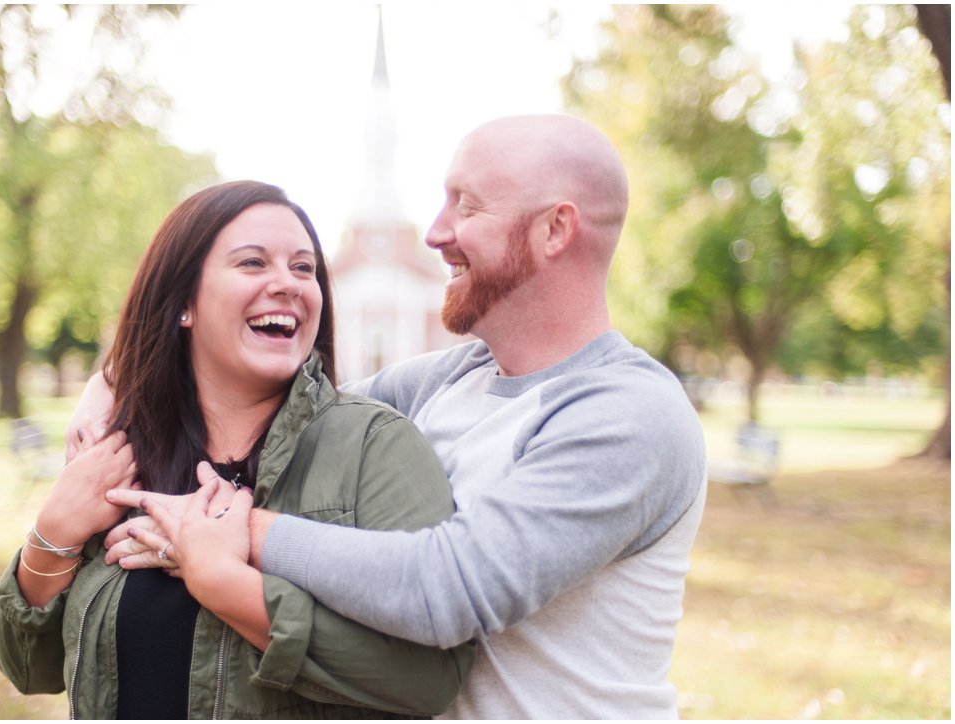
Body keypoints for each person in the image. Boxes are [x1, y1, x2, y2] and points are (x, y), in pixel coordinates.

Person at [86, 115, 707, 719]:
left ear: (555, 229)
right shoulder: (449, 379)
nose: (436, 233)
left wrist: (231, 531)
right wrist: (109, 384)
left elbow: (445, 589)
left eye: (467, 206)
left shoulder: (628, 413)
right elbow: (283, 399)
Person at [0, 181, 475, 719]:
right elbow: (28, 667)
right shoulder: (121, 450)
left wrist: (222, 581)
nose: (287, 284)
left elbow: (430, 678)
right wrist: (53, 531)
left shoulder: (374, 449)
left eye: (304, 268)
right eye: (252, 263)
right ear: (183, 304)